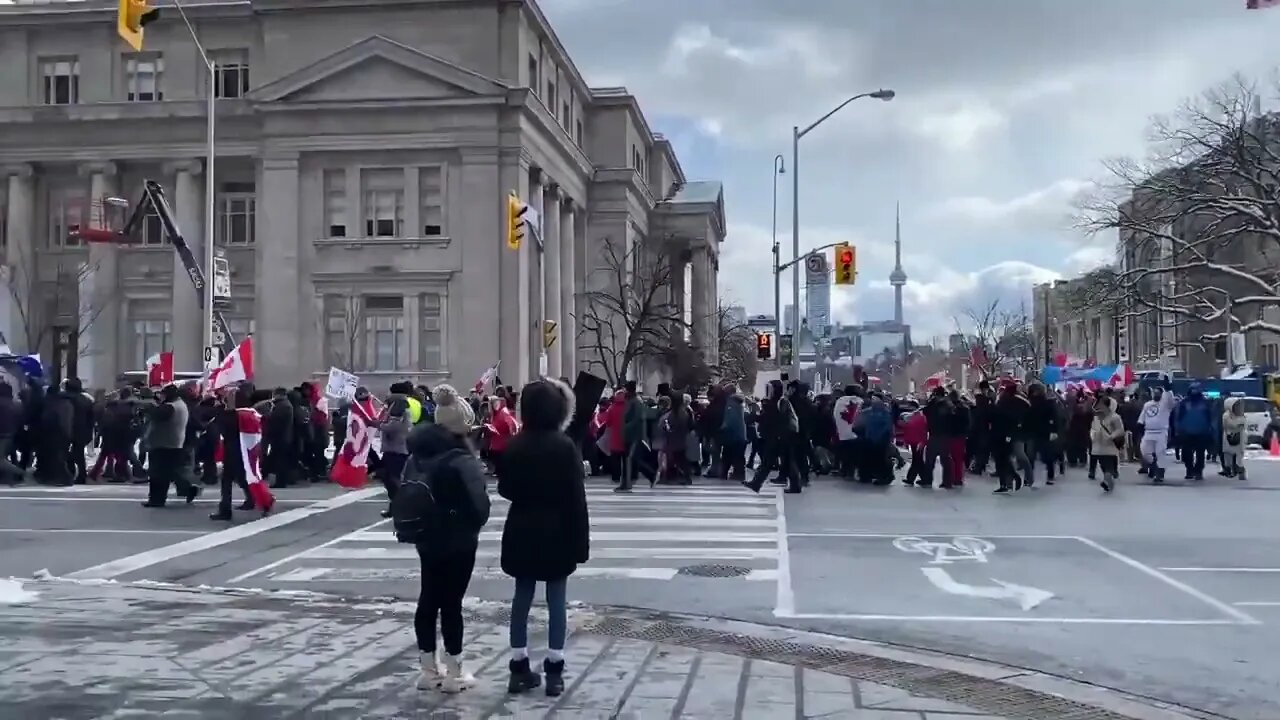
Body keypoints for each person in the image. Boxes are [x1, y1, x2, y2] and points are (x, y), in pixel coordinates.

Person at [496, 378, 589, 697]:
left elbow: (505, 488)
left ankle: (519, 665)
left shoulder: (515, 444)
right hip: (558, 528)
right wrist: (581, 543)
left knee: (521, 598)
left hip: (521, 526)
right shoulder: (564, 447)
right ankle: (555, 668)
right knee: (556, 601)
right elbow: (577, 499)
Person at [403, 421, 490, 693]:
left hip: (426, 539)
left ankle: (428, 670)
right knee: (452, 603)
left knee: (428, 599)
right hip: (459, 540)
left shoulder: (415, 461)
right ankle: (456, 671)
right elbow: (481, 508)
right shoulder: (461, 461)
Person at [1138, 384, 1175, 483]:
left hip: (1161, 432)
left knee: (1160, 453)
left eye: (1159, 393)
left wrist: (1168, 389)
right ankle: (1153, 465)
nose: (1156, 394)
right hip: (1148, 432)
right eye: (1155, 393)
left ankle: (1160, 474)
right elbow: (1142, 418)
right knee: (1145, 452)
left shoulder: (1165, 405)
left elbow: (1170, 400)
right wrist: (1140, 425)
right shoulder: (1147, 405)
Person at [1090, 396, 1126, 492]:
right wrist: (1093, 435)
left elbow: (1120, 430)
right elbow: (1094, 430)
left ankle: (1107, 481)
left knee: (1108, 465)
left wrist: (1111, 436)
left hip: (1110, 446)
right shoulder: (1097, 417)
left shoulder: (1115, 417)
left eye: (1103, 405)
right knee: (1104, 466)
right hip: (1099, 447)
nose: (1100, 407)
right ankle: (1109, 481)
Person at [1221, 397, 1247, 480]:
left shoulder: (1241, 415)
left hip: (1240, 438)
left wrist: (1239, 424)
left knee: (1239, 456)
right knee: (1228, 454)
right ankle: (1229, 469)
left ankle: (1240, 471)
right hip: (1229, 437)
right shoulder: (1226, 416)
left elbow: (1243, 424)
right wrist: (1238, 425)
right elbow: (1230, 425)